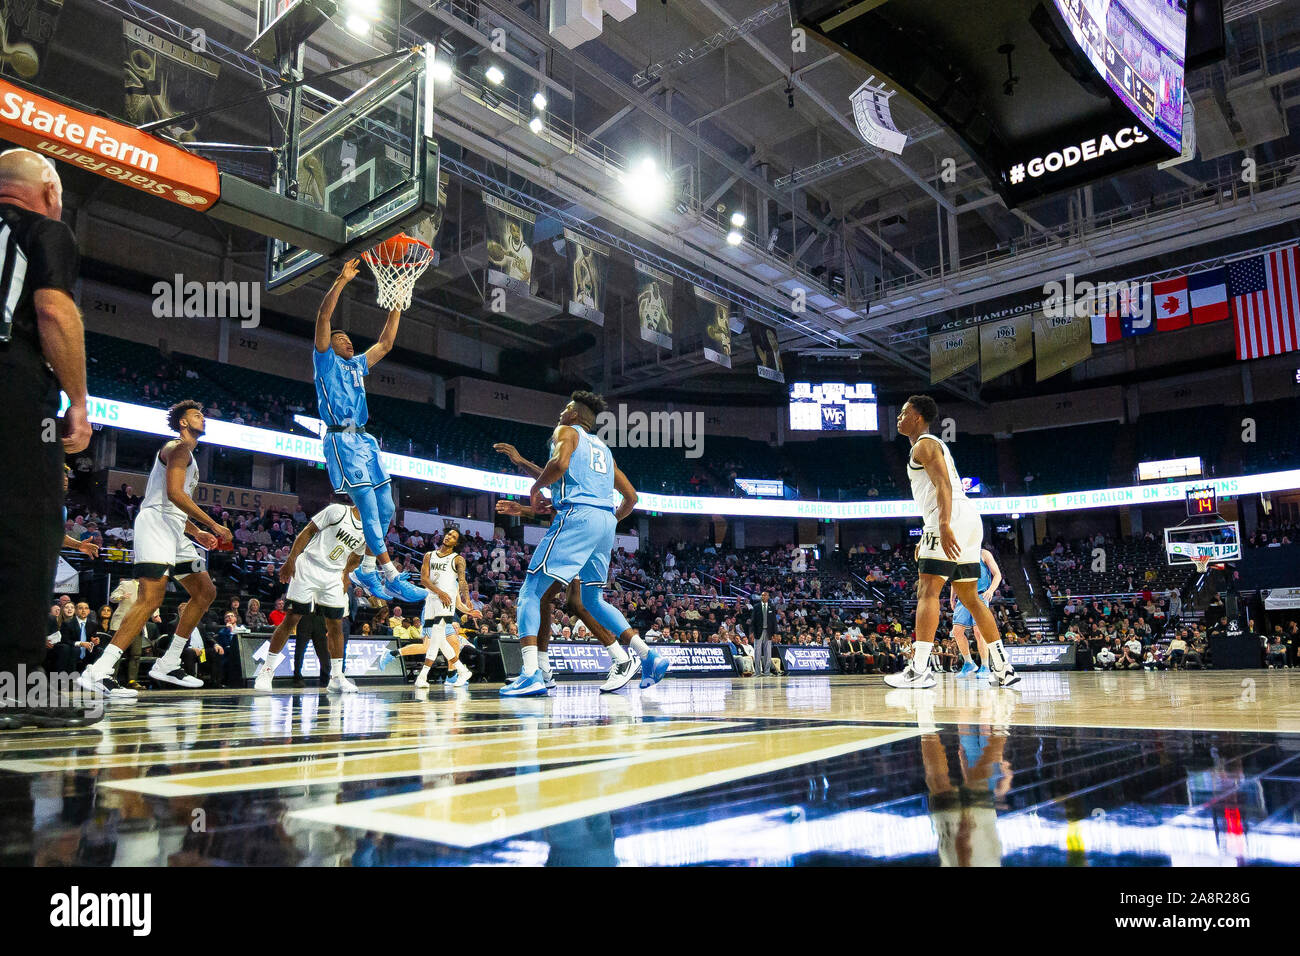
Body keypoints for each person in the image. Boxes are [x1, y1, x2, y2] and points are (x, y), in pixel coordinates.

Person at [0, 149, 94, 723]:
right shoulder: (44, 231)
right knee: (28, 525)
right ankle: (15, 682)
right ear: (51, 191)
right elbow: (54, 313)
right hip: (11, 382)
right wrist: (78, 402)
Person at [495, 392, 654, 696]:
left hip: (578, 522)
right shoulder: (604, 451)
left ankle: (537, 671)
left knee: (542, 594)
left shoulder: (565, 432)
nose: (560, 414)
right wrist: (526, 492)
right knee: (570, 600)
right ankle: (547, 668)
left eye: (564, 409)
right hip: (601, 524)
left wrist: (533, 489)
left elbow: (559, 468)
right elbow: (626, 497)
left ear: (573, 414)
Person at [78, 400, 232, 699]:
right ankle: (99, 670)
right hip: (156, 525)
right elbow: (173, 495)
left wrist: (196, 530)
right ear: (184, 423)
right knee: (151, 598)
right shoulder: (178, 448)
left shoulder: (188, 455)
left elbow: (171, 500)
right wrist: (214, 525)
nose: (204, 419)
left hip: (173, 527)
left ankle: (170, 661)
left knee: (205, 592)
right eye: (197, 415)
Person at [312, 259, 426, 605]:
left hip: (364, 438)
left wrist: (398, 301)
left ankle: (366, 567)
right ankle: (390, 575)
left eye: (348, 339)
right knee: (369, 509)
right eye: (341, 338)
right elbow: (322, 319)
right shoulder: (325, 361)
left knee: (387, 506)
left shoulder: (357, 364)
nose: (347, 341)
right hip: (341, 437)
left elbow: (386, 344)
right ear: (329, 346)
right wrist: (342, 280)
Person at [885, 396, 1019, 690]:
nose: (899, 417)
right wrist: (931, 529)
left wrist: (942, 525)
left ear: (918, 417)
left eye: (904, 412)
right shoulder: (931, 446)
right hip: (968, 517)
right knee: (970, 596)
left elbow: (942, 485)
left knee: (928, 590)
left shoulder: (924, 444)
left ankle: (919, 669)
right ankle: (1002, 667)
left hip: (950, 515)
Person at [253, 500, 366, 693]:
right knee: (292, 618)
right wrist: (291, 560)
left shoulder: (368, 530)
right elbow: (307, 531)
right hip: (310, 566)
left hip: (333, 575)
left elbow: (357, 556)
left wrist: (346, 573)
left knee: (336, 624)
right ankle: (267, 671)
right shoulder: (337, 511)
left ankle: (337, 677)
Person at [412, 528, 481, 689]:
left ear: (456, 543)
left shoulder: (457, 559)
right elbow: (423, 579)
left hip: (446, 601)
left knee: (436, 636)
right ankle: (462, 671)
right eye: (448, 534)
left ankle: (422, 676)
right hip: (432, 599)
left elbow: (462, 581)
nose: (449, 537)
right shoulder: (429, 555)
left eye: (453, 537)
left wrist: (467, 600)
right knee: (439, 639)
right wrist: (439, 592)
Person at [950, 548, 1001, 679]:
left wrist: (990, 590)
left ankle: (985, 666)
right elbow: (955, 578)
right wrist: (952, 597)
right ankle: (969, 663)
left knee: (979, 632)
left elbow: (997, 574)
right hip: (963, 597)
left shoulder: (983, 553)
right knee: (957, 631)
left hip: (980, 596)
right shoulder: (958, 554)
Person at [750, 591, 777, 677]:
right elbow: (752, 620)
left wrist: (775, 633)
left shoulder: (771, 607)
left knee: (768, 653)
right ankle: (757, 672)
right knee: (757, 652)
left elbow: (774, 621)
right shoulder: (756, 607)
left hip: (768, 632)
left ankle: (767, 672)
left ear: (768, 597)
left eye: (765, 595)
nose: (763, 596)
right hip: (758, 631)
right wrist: (751, 632)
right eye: (762, 595)